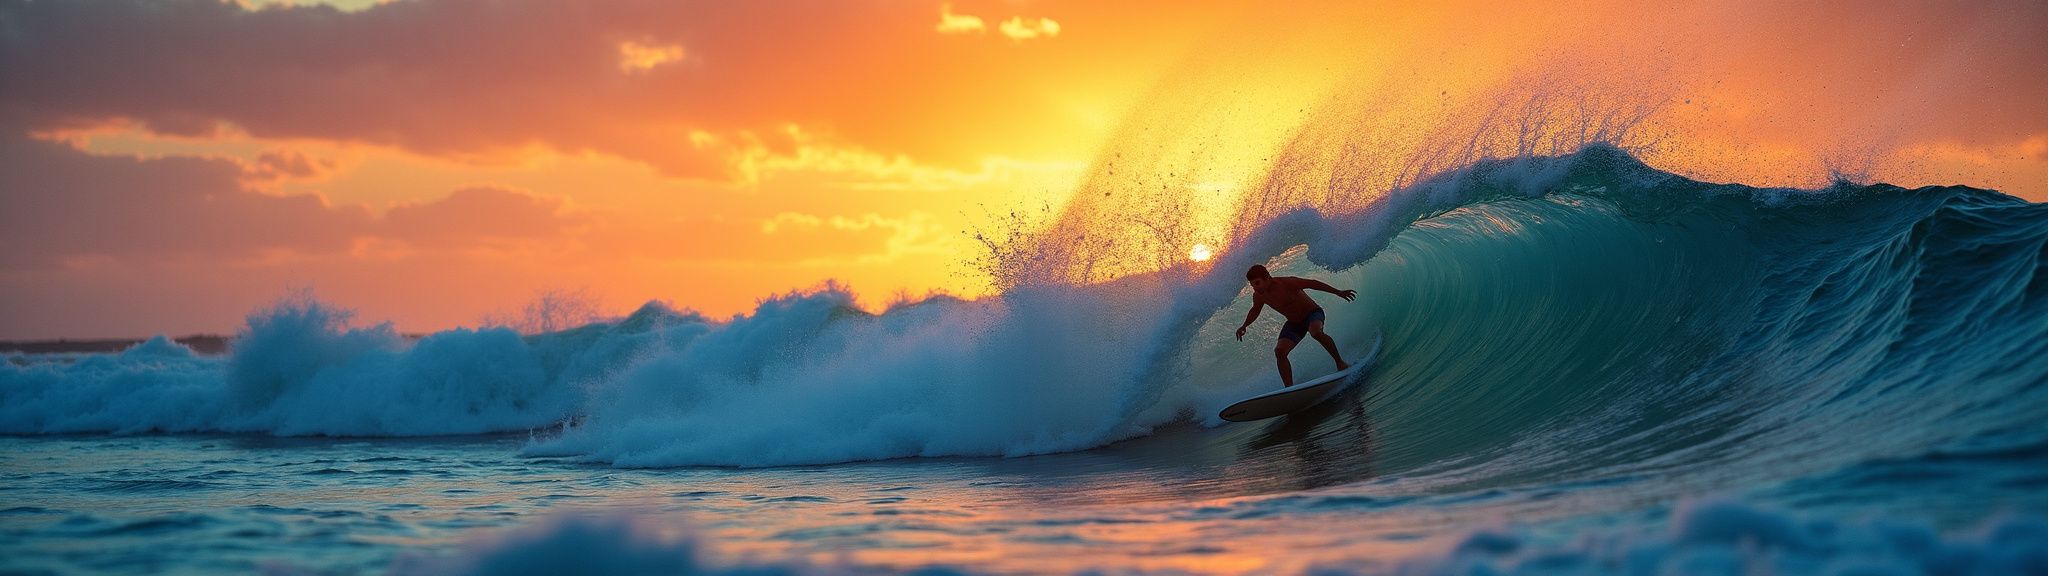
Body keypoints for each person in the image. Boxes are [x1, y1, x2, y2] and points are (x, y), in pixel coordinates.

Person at [1234, 264, 1356, 387]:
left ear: (1267, 278)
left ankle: (1340, 363)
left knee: (1316, 332)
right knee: (1280, 351)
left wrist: (1338, 292)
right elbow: (1255, 310)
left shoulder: (1286, 283)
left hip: (1312, 314)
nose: (1255, 288)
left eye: (1257, 283)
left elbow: (1312, 283)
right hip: (1294, 323)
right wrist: (1244, 325)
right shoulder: (1259, 295)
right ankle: (1289, 388)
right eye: (1253, 285)